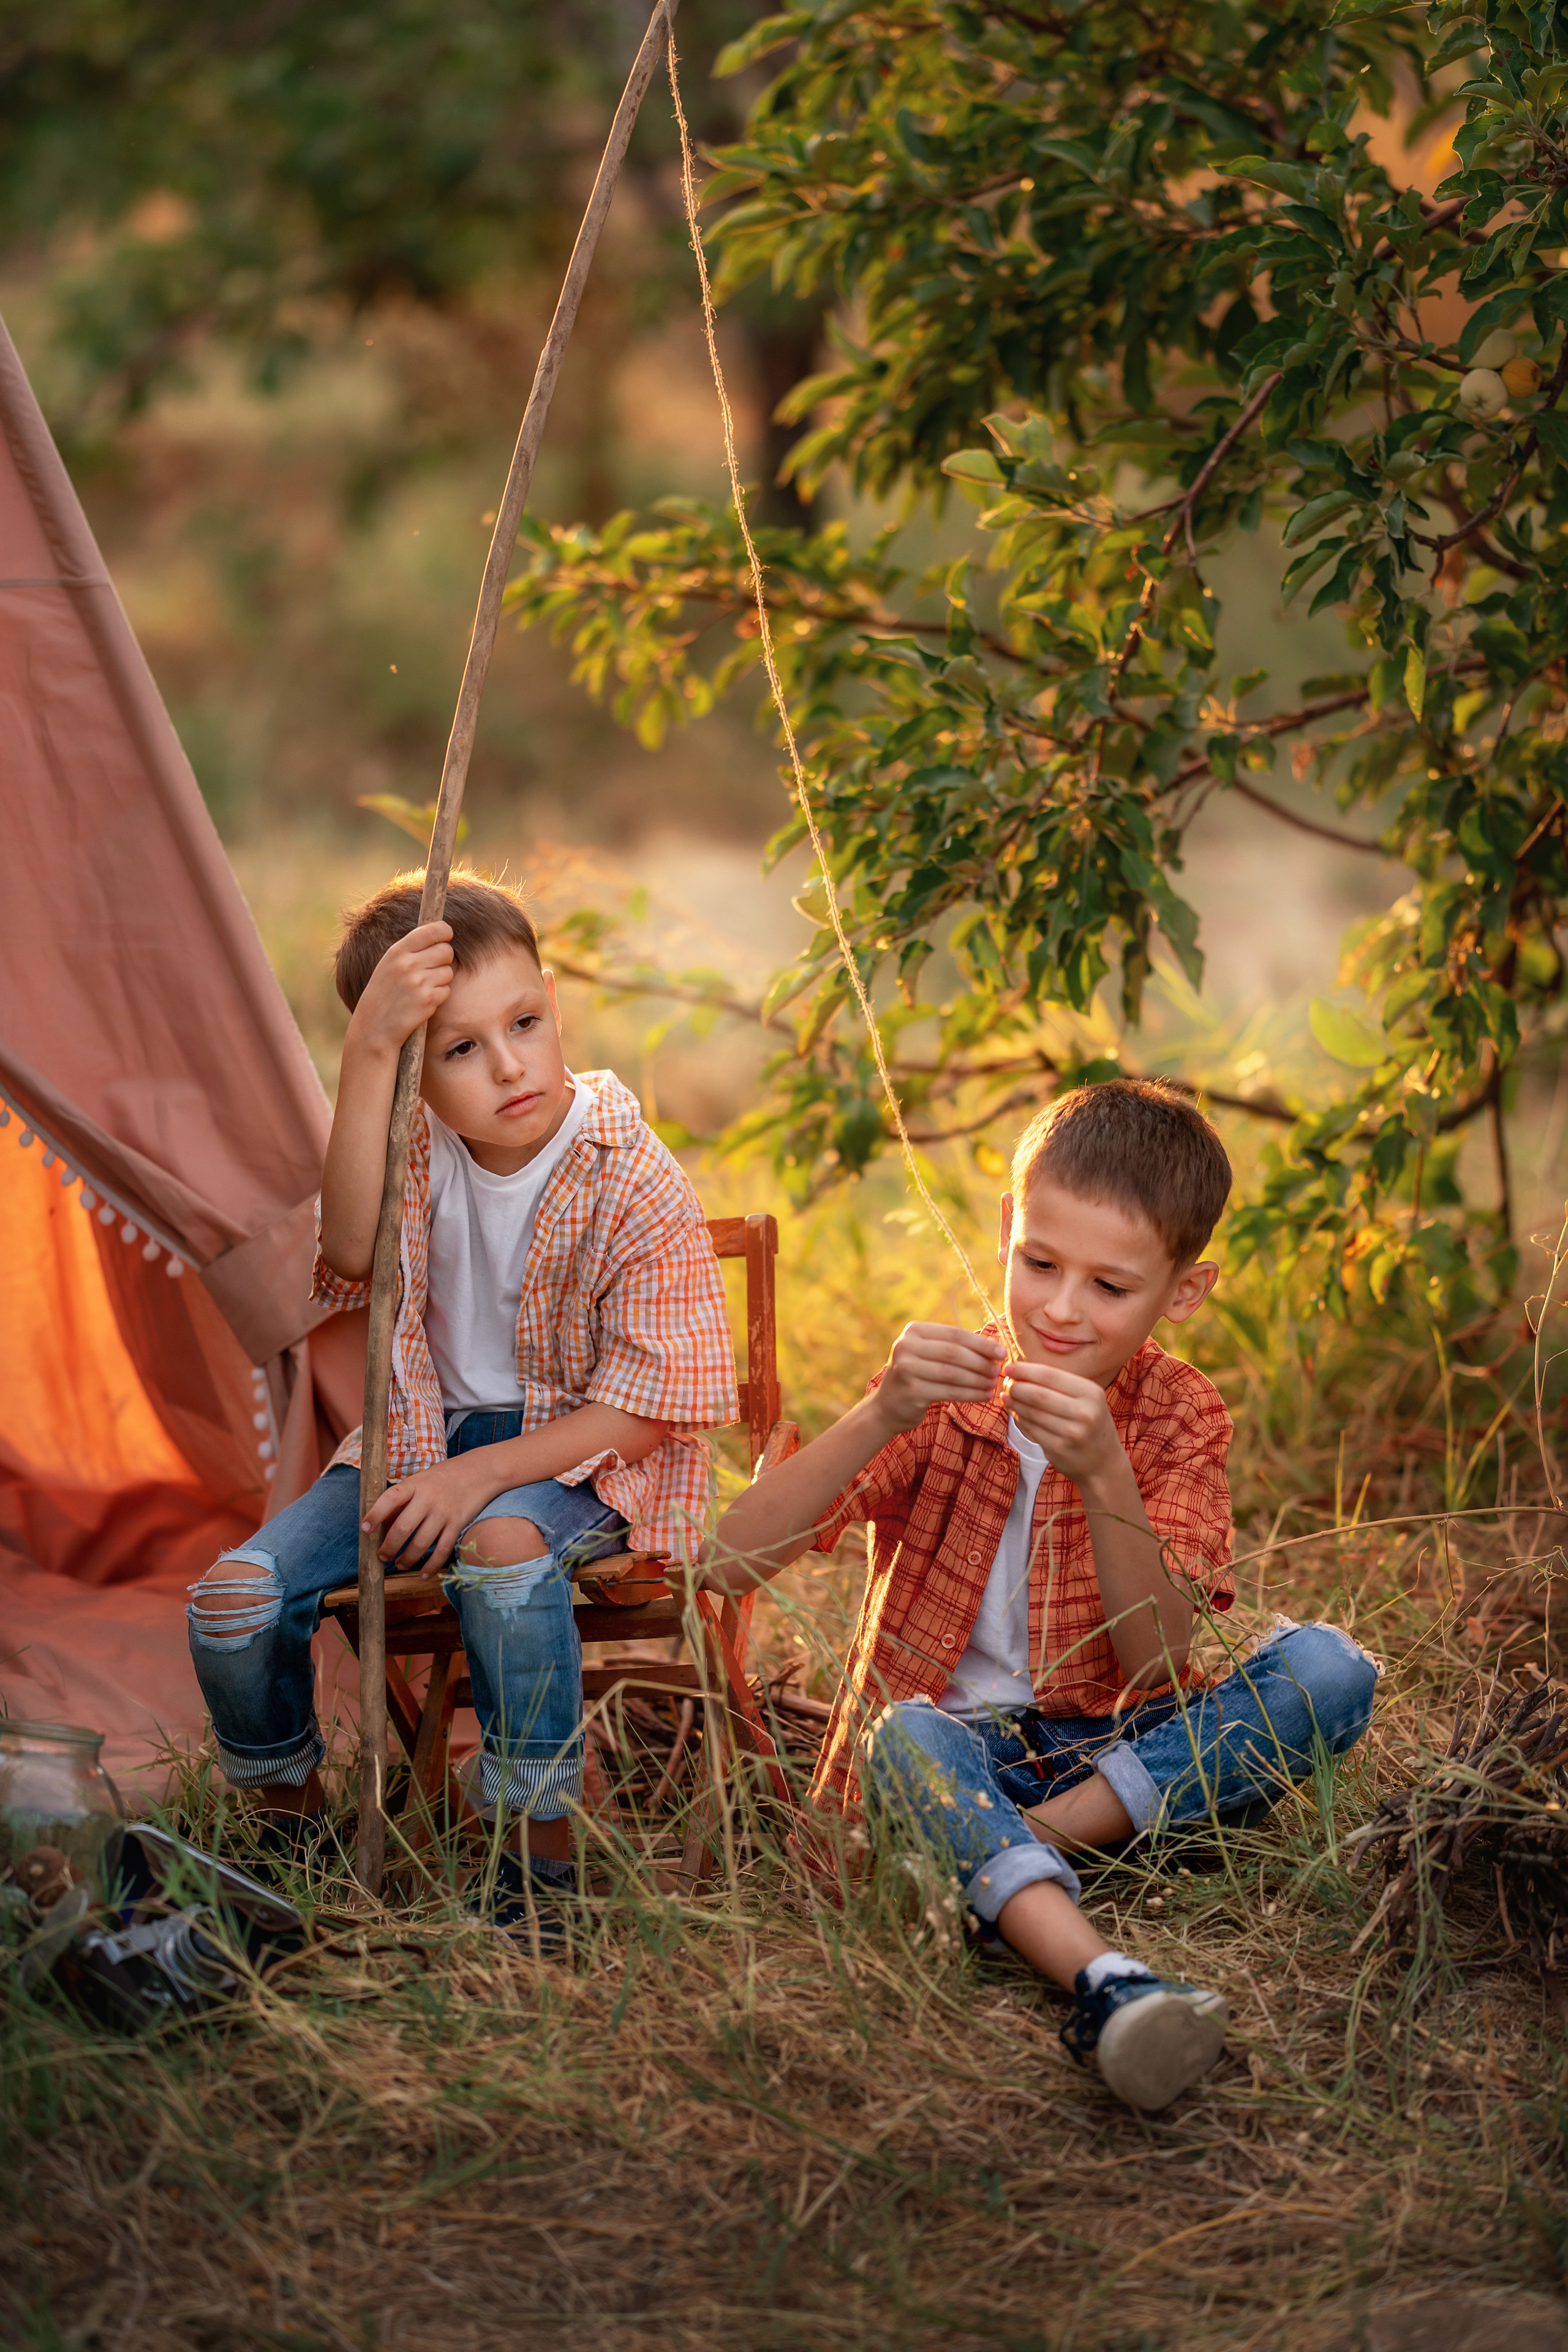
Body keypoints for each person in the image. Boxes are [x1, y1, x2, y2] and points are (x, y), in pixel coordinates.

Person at [702, 1080, 1379, 2111]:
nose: (1061, 1311)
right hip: (958, 1749)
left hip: (1109, 1750)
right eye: (1040, 1265)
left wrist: (1106, 1474)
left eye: (1112, 1287)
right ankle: (1107, 1981)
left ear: (1183, 1293)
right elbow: (725, 1564)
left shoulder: (1177, 1416)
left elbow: (1156, 1661)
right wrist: (881, 1410)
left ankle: (1012, 1847)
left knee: (1330, 1671)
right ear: (1009, 1227)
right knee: (905, 1740)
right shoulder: (944, 1398)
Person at [187, 869, 736, 1924]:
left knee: (500, 1553)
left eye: (526, 1022)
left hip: (583, 1456)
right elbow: (349, 1248)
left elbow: (645, 1409)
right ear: (415, 1077)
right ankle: (292, 1844)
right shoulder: (416, 1147)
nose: (511, 1066)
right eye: (460, 1049)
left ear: (553, 1002)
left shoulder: (629, 1168)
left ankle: (540, 1864)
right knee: (234, 1604)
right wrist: (366, 1051)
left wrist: (478, 1478)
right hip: (419, 1444)